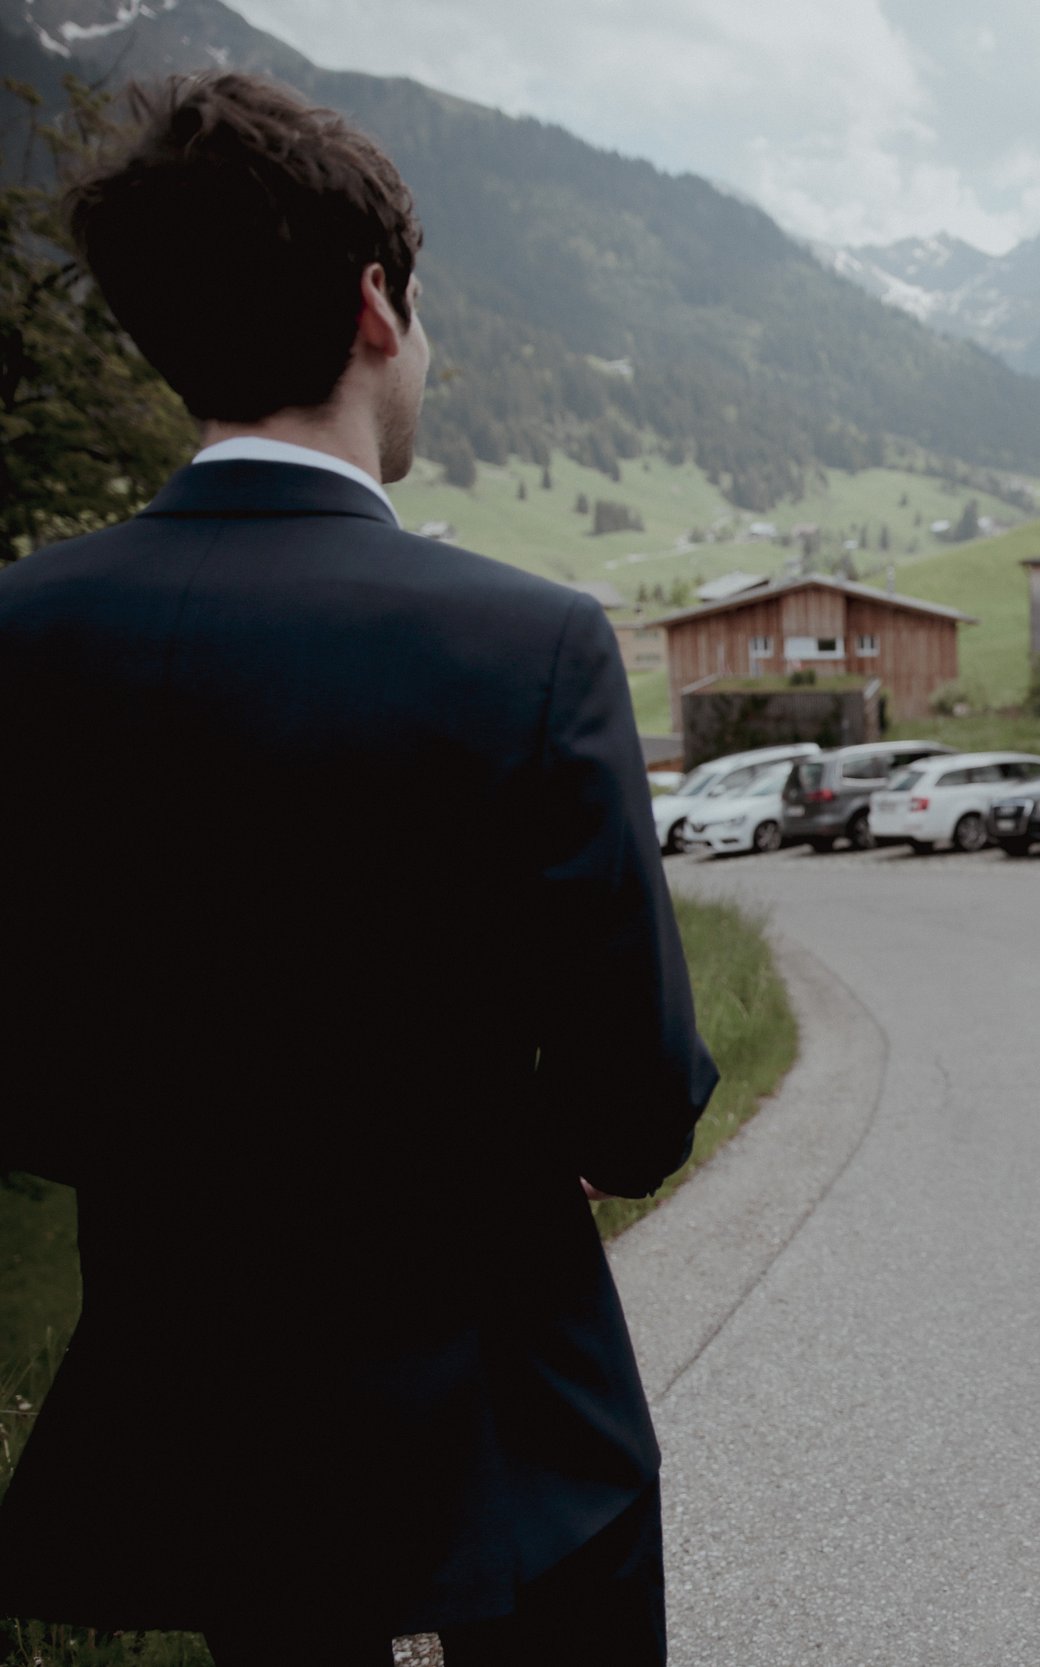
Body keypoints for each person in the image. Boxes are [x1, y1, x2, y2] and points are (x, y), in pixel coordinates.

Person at [0, 73, 716, 1663]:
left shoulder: (27, 633)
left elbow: (29, 1067)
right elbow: (640, 1099)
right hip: (510, 1415)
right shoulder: (524, 643)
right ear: (377, 308)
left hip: (210, 1408)